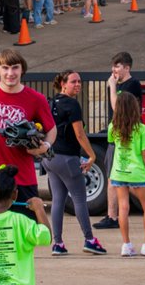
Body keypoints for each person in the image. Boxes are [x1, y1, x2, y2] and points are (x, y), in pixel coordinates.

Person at [0, 49, 56, 209]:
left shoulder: (36, 98)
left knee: (26, 223)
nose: (10, 73)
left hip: (23, 177)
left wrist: (46, 146)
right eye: (5, 68)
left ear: (22, 69)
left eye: (15, 67)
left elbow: (52, 129)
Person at [45, 70, 106, 256]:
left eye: (79, 81)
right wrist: (92, 155)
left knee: (58, 200)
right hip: (67, 158)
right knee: (79, 199)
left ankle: (58, 244)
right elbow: (80, 134)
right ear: (63, 84)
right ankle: (89, 240)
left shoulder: (52, 102)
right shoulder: (72, 104)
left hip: (50, 157)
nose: (78, 84)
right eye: (73, 82)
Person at [94, 52, 145, 230]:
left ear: (127, 68)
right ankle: (112, 216)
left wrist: (112, 87)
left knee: (118, 178)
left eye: (117, 66)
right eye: (113, 66)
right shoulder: (118, 85)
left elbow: (117, 108)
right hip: (117, 134)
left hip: (127, 136)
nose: (113, 69)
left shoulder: (132, 84)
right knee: (113, 177)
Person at [108, 92, 145, 256]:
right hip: (137, 173)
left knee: (123, 207)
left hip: (118, 172)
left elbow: (112, 143)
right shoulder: (141, 129)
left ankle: (126, 245)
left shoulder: (113, 127)